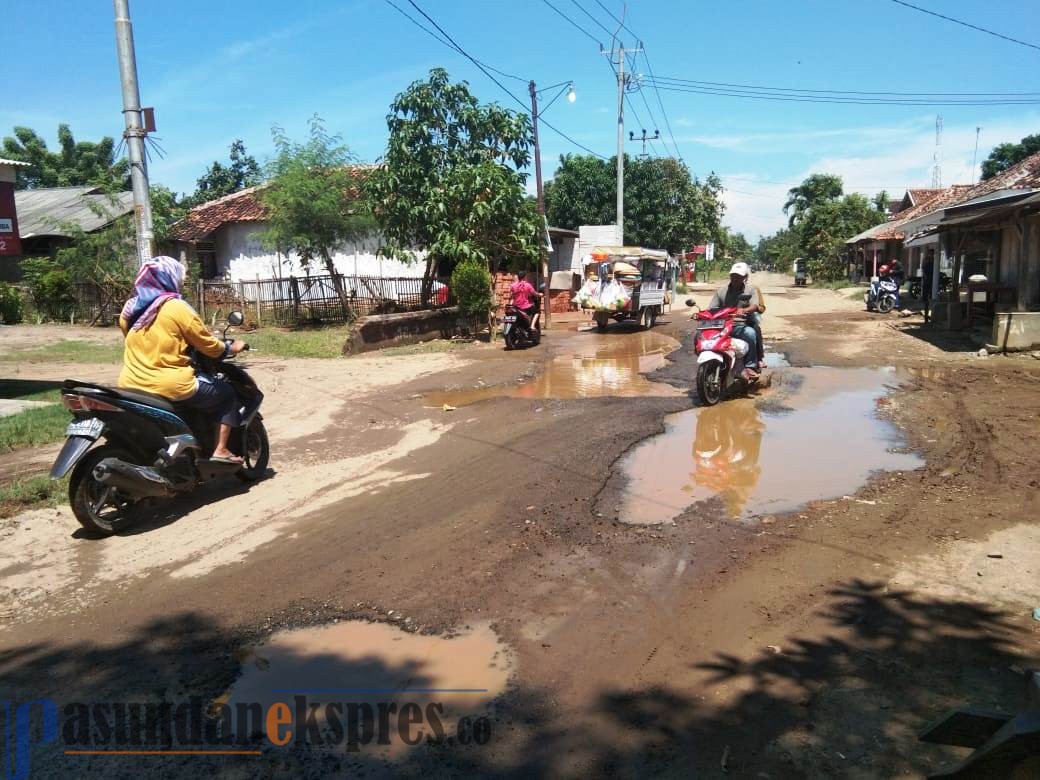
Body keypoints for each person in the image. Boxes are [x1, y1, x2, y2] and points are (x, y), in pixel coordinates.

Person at [118, 256, 247, 463]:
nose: (181, 283)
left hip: (130, 384)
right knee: (227, 394)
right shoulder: (176, 307)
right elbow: (208, 345)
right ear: (169, 278)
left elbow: (135, 339)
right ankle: (221, 450)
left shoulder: (130, 310)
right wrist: (231, 347)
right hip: (170, 385)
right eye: (179, 278)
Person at [708, 262, 763, 379]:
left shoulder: (751, 290)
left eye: (738, 276)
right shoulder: (721, 291)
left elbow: (755, 305)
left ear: (744, 277)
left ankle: (750, 366)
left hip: (741, 324)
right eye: (733, 275)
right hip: (721, 325)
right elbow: (712, 308)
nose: (735, 278)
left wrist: (744, 310)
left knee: (750, 333)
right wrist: (701, 314)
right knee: (700, 335)